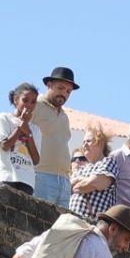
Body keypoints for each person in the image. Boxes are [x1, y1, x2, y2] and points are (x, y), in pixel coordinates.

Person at [28, 67, 78, 206]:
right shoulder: (35, 105)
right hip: (41, 176)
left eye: (68, 91)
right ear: (49, 85)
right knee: (40, 225)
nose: (64, 94)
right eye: (61, 88)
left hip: (64, 181)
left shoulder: (65, 117)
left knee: (60, 227)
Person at [0, 82, 42, 192]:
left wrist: (28, 133)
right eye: (25, 100)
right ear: (15, 100)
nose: (29, 104)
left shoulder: (35, 130)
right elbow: (4, 146)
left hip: (27, 181)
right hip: (7, 177)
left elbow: (36, 159)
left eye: (33, 102)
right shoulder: (4, 118)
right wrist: (21, 127)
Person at [68, 126, 119, 221]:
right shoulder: (82, 169)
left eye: (88, 141)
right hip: (72, 221)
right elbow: (69, 187)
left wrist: (79, 180)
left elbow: (97, 182)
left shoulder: (108, 162)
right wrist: (87, 181)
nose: (84, 145)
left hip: (92, 226)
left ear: (100, 143)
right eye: (83, 142)